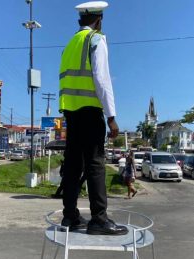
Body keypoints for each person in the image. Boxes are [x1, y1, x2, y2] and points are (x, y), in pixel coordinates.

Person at [59, 1, 128, 235]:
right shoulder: (96, 40)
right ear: (99, 21)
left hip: (71, 113)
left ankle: (70, 216)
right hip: (90, 112)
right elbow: (101, 79)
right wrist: (111, 116)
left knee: (72, 166)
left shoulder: (70, 44)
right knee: (95, 165)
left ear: (80, 21)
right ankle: (98, 219)